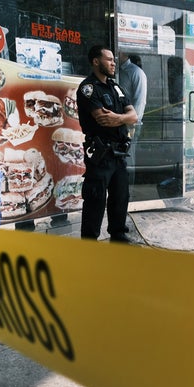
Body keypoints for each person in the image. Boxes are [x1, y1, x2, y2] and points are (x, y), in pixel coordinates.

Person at [77, 45, 138, 243]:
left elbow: (134, 116)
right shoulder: (88, 88)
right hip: (100, 153)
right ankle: (89, 242)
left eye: (114, 60)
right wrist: (124, 118)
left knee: (120, 196)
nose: (114, 63)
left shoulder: (116, 87)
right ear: (96, 61)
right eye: (109, 59)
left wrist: (118, 118)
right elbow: (103, 119)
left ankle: (118, 235)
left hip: (119, 153)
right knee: (95, 198)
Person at [119, 52, 147, 186]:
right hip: (117, 122)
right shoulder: (116, 71)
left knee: (128, 159)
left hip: (130, 124)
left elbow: (140, 101)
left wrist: (132, 124)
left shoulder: (136, 72)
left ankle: (128, 191)